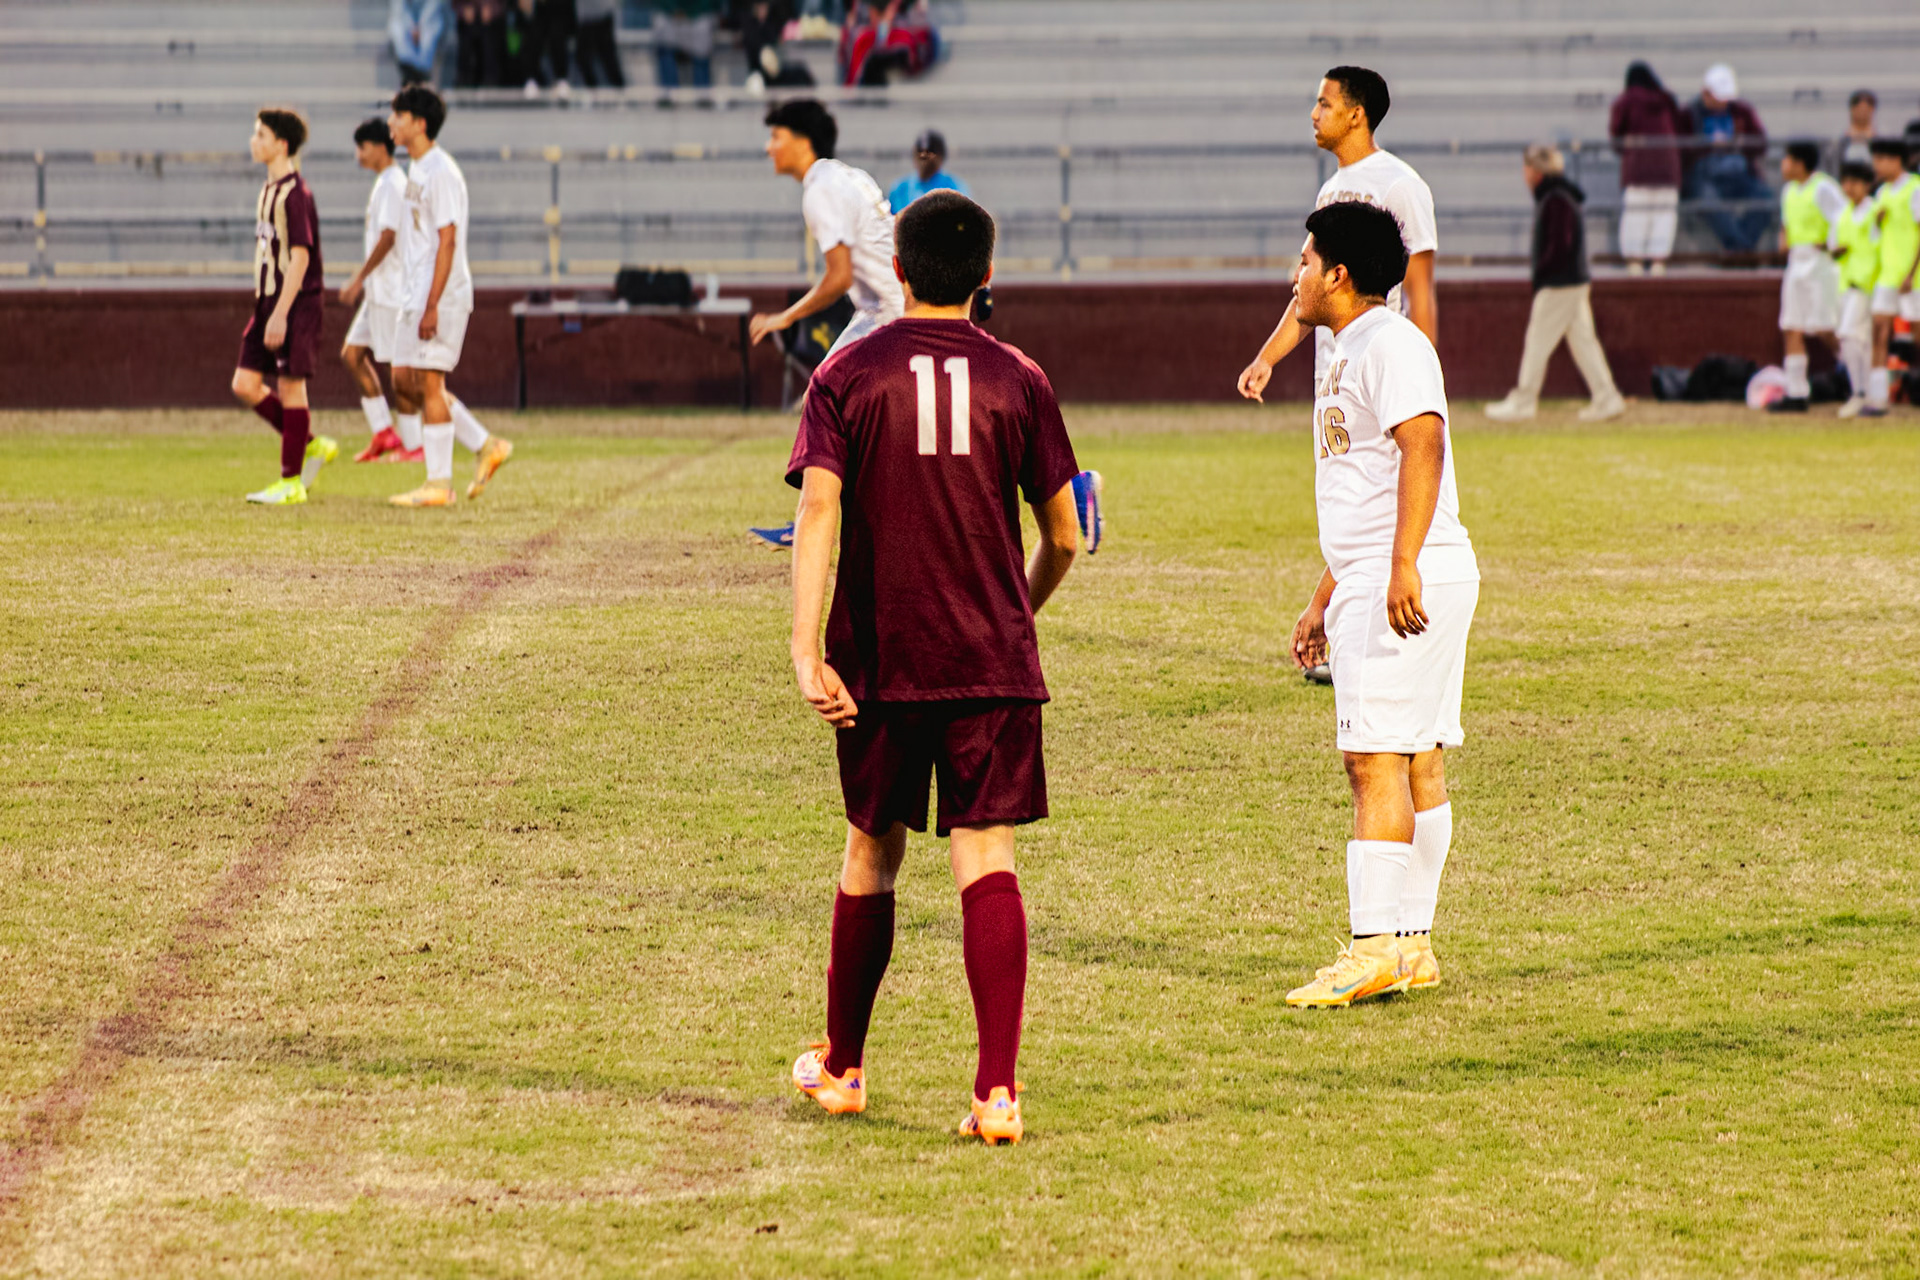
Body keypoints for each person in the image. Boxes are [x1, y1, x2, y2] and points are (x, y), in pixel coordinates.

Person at [784, 190, 1081, 1145]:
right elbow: (1067, 536)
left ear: (899, 271)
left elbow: (818, 511)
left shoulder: (845, 373)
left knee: (871, 852)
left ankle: (842, 1069)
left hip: (879, 661)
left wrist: (804, 648)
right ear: (987, 276)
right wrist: (1013, 615)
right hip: (989, 661)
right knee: (986, 859)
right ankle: (996, 1094)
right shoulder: (1021, 377)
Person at [1276, 200, 1478, 1008]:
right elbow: (1365, 486)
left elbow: (1422, 444)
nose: (1295, 274)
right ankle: (1413, 944)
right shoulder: (1351, 346)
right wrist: (1324, 594)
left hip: (1406, 572)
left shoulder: (1389, 343)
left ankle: (1372, 948)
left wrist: (1399, 567)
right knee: (1418, 754)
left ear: (1338, 274)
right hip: (1394, 569)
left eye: (1304, 260)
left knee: (1373, 761)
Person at [1235, 65, 1436, 686]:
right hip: (1336, 375)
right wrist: (1268, 357)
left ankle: (1399, 616)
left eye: (1324, 103)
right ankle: (1345, 627)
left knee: (1383, 496)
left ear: (1356, 114)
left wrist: (1424, 377)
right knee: (1345, 502)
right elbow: (1308, 294)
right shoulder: (1330, 192)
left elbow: (1421, 292)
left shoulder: (1402, 186)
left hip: (1381, 378)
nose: (1313, 113)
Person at [385, 86, 515, 507]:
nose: (391, 122)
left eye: (398, 115)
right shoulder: (418, 167)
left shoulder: (441, 171)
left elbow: (447, 240)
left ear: (420, 124)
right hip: (415, 292)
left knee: (430, 382)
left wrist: (432, 304)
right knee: (404, 381)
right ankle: (485, 443)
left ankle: (439, 483)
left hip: (440, 294)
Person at [228, 108, 337, 507]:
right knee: (244, 384)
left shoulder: (296, 194)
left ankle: (291, 481)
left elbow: (301, 258)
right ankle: (309, 443)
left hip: (295, 304)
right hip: (267, 301)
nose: (253, 141)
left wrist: (281, 313)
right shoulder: (267, 190)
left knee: (291, 385)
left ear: (281, 144)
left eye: (261, 134)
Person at [1485, 145, 1625, 422]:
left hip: (1560, 282)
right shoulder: (1560, 196)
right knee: (1583, 341)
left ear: (1536, 171)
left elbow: (1561, 244)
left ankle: (1524, 400)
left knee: (1537, 340)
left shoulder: (1555, 199)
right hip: (1572, 280)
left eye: (1527, 167)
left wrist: (1543, 272)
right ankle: (1607, 397)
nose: (1525, 173)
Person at [338, 118, 420, 464]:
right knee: (352, 354)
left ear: (380, 147)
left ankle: (415, 444)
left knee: (399, 371)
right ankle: (384, 432)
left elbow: (388, 237)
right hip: (378, 292)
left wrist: (358, 278)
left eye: (363, 147)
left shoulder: (393, 184)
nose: (358, 154)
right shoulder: (385, 182)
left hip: (390, 292)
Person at [1769, 141, 1846, 413]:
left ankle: (1851, 368)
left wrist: (1830, 244)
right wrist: (1784, 239)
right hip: (1796, 260)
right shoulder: (1789, 190)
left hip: (1820, 261)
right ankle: (1796, 392)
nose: (1783, 165)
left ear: (1800, 164)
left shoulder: (1824, 188)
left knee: (1824, 327)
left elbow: (1843, 218)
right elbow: (1786, 223)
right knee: (1791, 324)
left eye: (1787, 159)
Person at [1680, 64, 1771, 253]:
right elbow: (1681, 150)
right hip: (1704, 177)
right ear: (1705, 94)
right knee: (1708, 200)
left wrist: (1738, 143)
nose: (1723, 103)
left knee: (1765, 197)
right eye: (1718, 98)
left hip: (1738, 174)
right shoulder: (1689, 114)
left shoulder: (1741, 110)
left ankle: (1738, 250)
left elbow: (1760, 142)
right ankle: (1741, 251)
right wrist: (1707, 145)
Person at [1860, 137, 1920, 417]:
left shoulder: (1914, 189)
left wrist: (1911, 273)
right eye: (1876, 159)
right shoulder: (1881, 193)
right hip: (1887, 274)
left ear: (1898, 160)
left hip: (1913, 277)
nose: (1877, 165)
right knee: (1879, 329)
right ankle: (1878, 397)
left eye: (1882, 159)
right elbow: (1876, 236)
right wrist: (1877, 221)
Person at [1609, 61, 1684, 275]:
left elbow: (1616, 137)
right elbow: (1680, 130)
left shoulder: (1625, 101)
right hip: (1668, 169)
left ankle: (1635, 263)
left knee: (1636, 216)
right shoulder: (1667, 100)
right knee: (1664, 216)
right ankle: (1658, 263)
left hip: (1638, 169)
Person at [1831, 161, 1881, 418]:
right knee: (1860, 340)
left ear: (1867, 185)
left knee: (1849, 335)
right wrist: (1836, 252)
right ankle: (1865, 393)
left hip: (1868, 283)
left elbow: (1880, 245)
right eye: (1845, 182)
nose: (1849, 187)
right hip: (1847, 283)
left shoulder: (1875, 211)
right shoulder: (1843, 214)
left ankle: (1860, 392)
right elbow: (1835, 246)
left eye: (1854, 182)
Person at [887, 129, 968, 214]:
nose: (924, 160)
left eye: (930, 154)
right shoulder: (901, 188)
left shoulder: (954, 188)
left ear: (941, 157)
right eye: (920, 153)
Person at [652, 0, 718, 89]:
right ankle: (669, 92)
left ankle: (702, 93)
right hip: (670, 16)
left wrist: (691, 12)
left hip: (699, 15)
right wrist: (673, 9)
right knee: (663, 38)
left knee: (702, 37)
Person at [390, 0, 453, 84]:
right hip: (407, 23)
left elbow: (434, 7)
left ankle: (421, 72)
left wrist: (420, 27)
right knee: (398, 29)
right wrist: (412, 27)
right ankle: (411, 69)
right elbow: (400, 9)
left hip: (429, 20)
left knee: (429, 34)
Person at [452, 1, 506, 87]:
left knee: (489, 46)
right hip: (466, 12)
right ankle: (464, 79)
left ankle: (491, 80)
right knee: (465, 47)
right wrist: (464, 7)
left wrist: (490, 7)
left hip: (492, 13)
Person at [572, 0, 624, 87]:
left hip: (598, 15)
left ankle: (618, 88)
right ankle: (595, 88)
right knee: (585, 58)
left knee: (605, 57)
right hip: (592, 16)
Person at [1829, 89, 1878, 173]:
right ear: (1852, 109)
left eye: (1866, 109)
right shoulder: (1839, 140)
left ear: (1872, 110)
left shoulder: (1880, 138)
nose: (1863, 112)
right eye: (1859, 109)